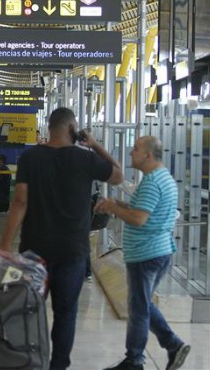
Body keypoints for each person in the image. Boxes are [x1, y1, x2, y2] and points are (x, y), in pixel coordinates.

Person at [0, 107, 123, 370]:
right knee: (66, 314)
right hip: (72, 252)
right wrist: (95, 144)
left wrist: (4, 246)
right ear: (72, 129)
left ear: (49, 127)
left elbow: (20, 202)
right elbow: (118, 173)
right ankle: (59, 366)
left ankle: (32, 362)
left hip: (34, 251)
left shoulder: (30, 157)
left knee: (31, 311)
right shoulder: (85, 159)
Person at [96, 136, 191, 370]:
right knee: (143, 304)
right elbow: (142, 210)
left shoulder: (152, 183)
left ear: (147, 155)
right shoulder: (162, 178)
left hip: (146, 255)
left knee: (139, 309)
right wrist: (117, 203)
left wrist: (114, 209)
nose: (130, 152)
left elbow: (139, 219)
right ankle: (172, 345)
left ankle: (135, 360)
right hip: (157, 252)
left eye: (136, 149)